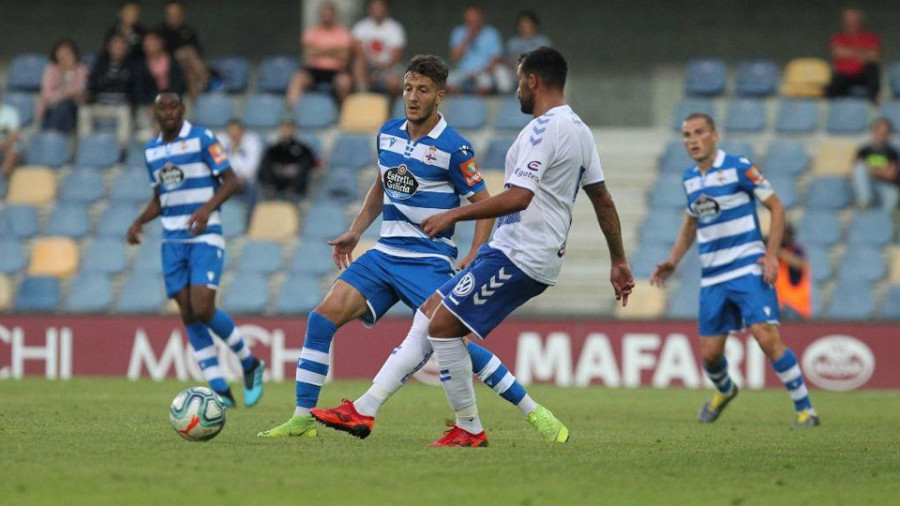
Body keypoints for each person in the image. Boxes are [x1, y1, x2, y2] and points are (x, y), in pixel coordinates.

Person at [258, 55, 556, 443]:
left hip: (427, 261)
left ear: (440, 96)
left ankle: (534, 412)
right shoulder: (388, 133)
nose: (413, 97)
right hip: (384, 255)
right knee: (321, 318)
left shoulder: (454, 148)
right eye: (408, 88)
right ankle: (301, 421)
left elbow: (484, 205)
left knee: (450, 342)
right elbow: (382, 185)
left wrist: (475, 255)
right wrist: (355, 230)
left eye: (423, 90)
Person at [419, 47, 634, 447]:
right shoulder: (579, 129)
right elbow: (602, 198)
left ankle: (469, 428)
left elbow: (519, 197)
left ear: (533, 81)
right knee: (431, 312)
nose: (517, 89)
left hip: (520, 255)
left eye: (519, 80)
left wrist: (453, 216)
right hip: (513, 250)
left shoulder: (543, 130)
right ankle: (530, 414)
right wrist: (618, 259)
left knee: (442, 328)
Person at [649, 112, 819, 427]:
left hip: (747, 266)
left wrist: (771, 255)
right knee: (711, 354)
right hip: (713, 276)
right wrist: (673, 260)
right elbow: (691, 221)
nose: (693, 140)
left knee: (765, 336)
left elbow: (776, 206)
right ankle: (725, 390)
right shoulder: (690, 178)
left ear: (714, 135)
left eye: (699, 132)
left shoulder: (739, 168)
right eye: (687, 135)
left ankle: (805, 408)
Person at [126, 90, 265, 408]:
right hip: (171, 241)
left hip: (204, 236)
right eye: (163, 108)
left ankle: (249, 363)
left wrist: (206, 209)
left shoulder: (203, 139)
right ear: (155, 113)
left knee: (203, 307)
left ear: (183, 108)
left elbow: (231, 181)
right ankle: (219, 388)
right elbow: (160, 199)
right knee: (188, 312)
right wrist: (138, 222)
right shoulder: (152, 151)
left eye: (175, 106)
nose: (170, 112)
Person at [287, 3, 353, 107]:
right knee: (298, 79)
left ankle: (343, 113)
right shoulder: (312, 32)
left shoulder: (343, 32)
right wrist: (333, 50)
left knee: (344, 83)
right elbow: (309, 52)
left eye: (329, 14)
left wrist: (319, 50)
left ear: (334, 15)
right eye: (324, 14)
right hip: (314, 69)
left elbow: (344, 55)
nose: (326, 17)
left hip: (336, 70)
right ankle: (291, 113)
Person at [80, 34, 138, 145]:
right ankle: (86, 145)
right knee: (84, 111)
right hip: (101, 105)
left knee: (124, 112)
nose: (118, 49)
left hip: (120, 106)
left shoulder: (132, 66)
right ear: (109, 47)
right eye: (115, 46)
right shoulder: (100, 64)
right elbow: (93, 85)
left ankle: (122, 149)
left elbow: (133, 89)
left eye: (121, 46)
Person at [446, 4, 509, 94]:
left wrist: (480, 72)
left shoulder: (491, 33)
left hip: (484, 71)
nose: (473, 21)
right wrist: (467, 38)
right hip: (462, 71)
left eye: (475, 17)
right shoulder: (458, 32)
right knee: (450, 83)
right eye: (470, 18)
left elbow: (496, 58)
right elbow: (454, 58)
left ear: (481, 18)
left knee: (485, 84)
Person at [825, 7, 881, 102]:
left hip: (862, 76)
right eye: (849, 21)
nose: (852, 24)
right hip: (844, 75)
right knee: (832, 85)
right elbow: (837, 53)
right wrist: (862, 52)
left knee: (872, 68)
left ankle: (873, 103)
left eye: (855, 21)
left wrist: (848, 52)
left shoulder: (871, 38)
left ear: (860, 22)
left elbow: (874, 56)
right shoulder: (838, 38)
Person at [351, 0, 406, 95]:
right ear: (370, 10)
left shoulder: (395, 28)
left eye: (380, 8)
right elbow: (358, 50)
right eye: (375, 8)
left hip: (388, 67)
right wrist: (372, 65)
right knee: (358, 64)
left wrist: (381, 68)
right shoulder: (361, 26)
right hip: (367, 66)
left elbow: (396, 55)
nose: (378, 11)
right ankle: (362, 95)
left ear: (386, 10)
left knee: (394, 82)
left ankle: (390, 107)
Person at [157, 1, 209, 98]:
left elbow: (198, 52)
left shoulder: (188, 31)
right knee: (188, 53)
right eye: (170, 14)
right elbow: (159, 54)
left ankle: (197, 103)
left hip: (188, 67)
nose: (173, 16)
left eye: (176, 13)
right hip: (169, 66)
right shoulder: (161, 31)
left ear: (181, 14)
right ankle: (207, 80)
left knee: (190, 68)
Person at [257, 119, 318, 200]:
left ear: (294, 130)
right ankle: (270, 189)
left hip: (294, 180)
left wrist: (292, 169)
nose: (287, 131)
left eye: (289, 128)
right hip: (277, 179)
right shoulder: (273, 148)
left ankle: (291, 190)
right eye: (285, 128)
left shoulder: (303, 148)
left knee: (305, 164)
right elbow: (265, 165)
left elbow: (311, 163)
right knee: (265, 163)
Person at [38, 39, 88, 133]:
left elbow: (80, 91)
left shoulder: (81, 69)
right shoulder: (50, 69)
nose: (64, 56)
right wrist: (65, 94)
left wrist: (69, 72)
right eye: (61, 52)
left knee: (66, 106)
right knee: (62, 107)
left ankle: (52, 134)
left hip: (75, 107)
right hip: (52, 107)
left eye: (67, 53)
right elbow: (47, 95)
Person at [852, 118, 899, 213]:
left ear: (889, 134)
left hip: (885, 186)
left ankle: (884, 222)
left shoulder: (892, 152)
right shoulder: (864, 150)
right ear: (874, 132)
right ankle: (865, 201)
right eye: (879, 132)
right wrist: (881, 170)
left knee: (893, 195)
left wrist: (870, 170)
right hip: (867, 185)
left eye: (885, 132)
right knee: (860, 168)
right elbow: (856, 171)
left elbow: (891, 175)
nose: (881, 135)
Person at [218, 119, 263, 209]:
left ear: (242, 131)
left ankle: (251, 217)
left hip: (244, 180)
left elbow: (252, 167)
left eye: (236, 131)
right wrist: (232, 150)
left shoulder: (252, 142)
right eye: (231, 131)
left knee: (252, 187)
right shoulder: (220, 141)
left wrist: (238, 178)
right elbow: (218, 164)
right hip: (225, 180)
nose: (234, 134)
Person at [774, 223, 812, 320]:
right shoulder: (774, 255)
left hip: (796, 308)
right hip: (779, 305)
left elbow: (799, 265)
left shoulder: (796, 250)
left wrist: (777, 251)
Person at [0, 88, 22, 179]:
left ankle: (1, 179)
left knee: (12, 151)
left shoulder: (10, 112)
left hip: (7, 146)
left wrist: (3, 145)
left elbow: (14, 135)